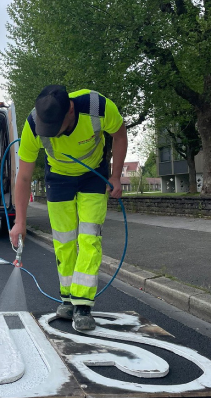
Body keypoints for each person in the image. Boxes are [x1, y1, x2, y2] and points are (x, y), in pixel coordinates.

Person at [10, 85, 127, 331]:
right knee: (63, 240)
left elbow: (119, 135)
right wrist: (20, 222)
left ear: (70, 111)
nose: (51, 135)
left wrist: (115, 176)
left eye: (56, 129)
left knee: (88, 236)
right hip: (59, 177)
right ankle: (67, 298)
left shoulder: (98, 107)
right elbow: (23, 178)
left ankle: (83, 304)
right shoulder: (34, 124)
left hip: (93, 175)